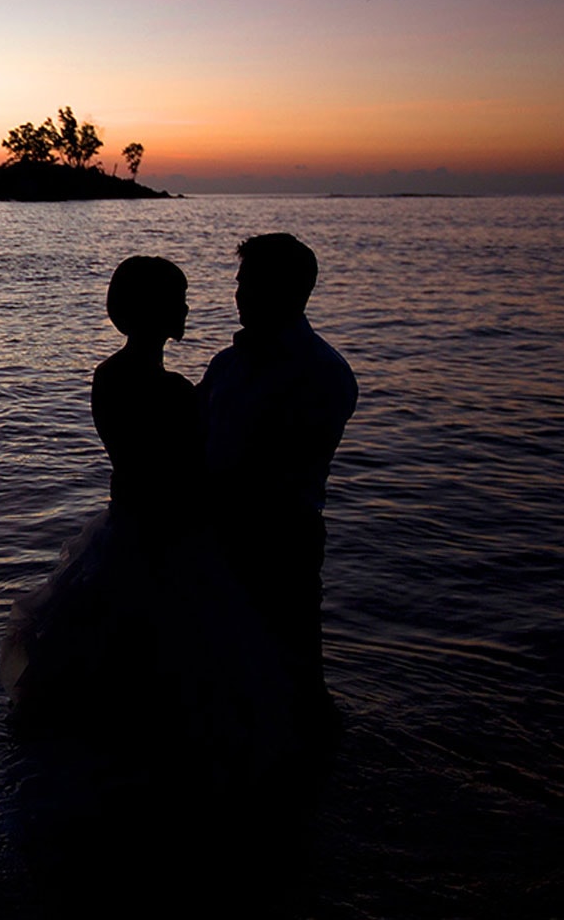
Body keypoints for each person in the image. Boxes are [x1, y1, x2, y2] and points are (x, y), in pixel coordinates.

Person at [0, 256, 198, 735]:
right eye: (179, 300)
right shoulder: (174, 391)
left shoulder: (108, 375)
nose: (188, 309)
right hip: (161, 539)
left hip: (121, 527)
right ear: (157, 311)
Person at [199, 233, 358, 749]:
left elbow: (279, 466)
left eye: (248, 284)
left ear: (287, 291)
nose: (238, 296)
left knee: (294, 673)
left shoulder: (322, 373)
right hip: (220, 536)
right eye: (239, 284)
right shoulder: (228, 364)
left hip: (280, 539)